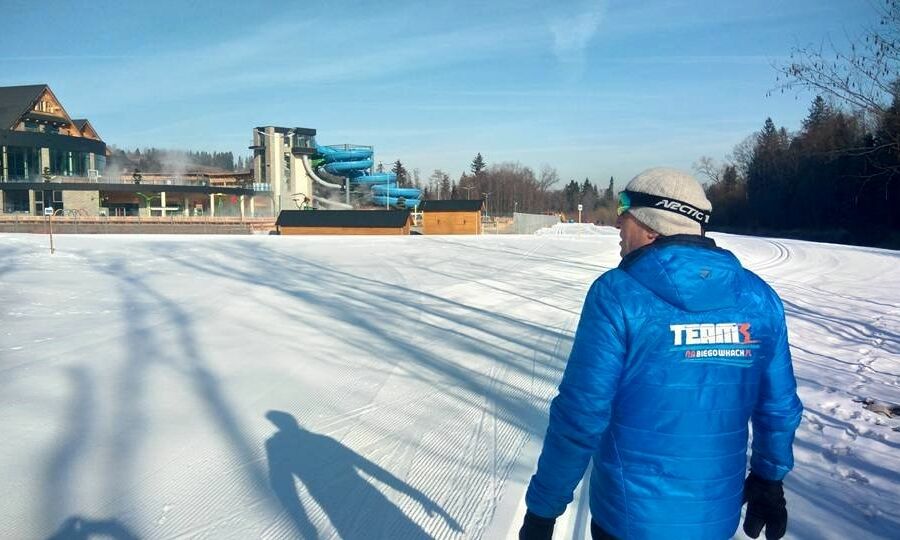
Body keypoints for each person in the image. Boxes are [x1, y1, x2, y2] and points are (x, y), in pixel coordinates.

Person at [519, 168, 803, 540]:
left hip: (627, 520)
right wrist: (769, 478)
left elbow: (581, 414)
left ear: (654, 226)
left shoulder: (617, 295)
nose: (619, 222)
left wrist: (543, 510)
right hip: (714, 520)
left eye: (627, 210)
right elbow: (779, 407)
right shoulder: (759, 298)